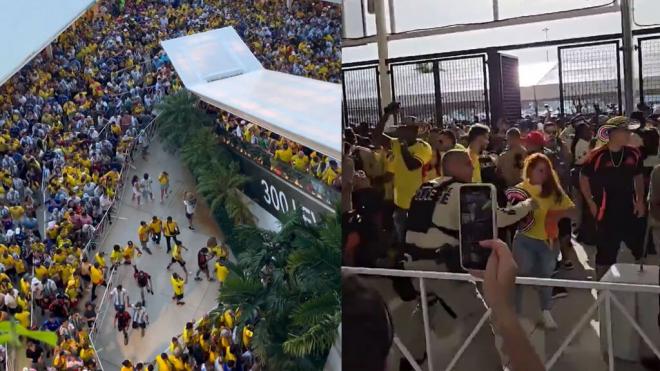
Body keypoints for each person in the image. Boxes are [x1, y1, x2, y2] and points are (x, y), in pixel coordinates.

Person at [343, 239, 544, 371]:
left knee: (424, 314)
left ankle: (412, 359)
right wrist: (503, 308)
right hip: (435, 281)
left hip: (424, 278)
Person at [510, 153, 575, 329]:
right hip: (524, 240)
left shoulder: (553, 190)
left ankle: (546, 312)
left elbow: (571, 210)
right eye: (540, 170)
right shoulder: (520, 189)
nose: (543, 174)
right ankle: (516, 314)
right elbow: (509, 214)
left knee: (545, 279)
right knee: (521, 276)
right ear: (529, 170)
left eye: (546, 171)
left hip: (548, 242)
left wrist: (554, 216)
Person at [580, 116, 646, 279]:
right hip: (605, 210)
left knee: (639, 247)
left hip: (630, 209)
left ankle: (641, 281)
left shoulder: (634, 153)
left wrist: (640, 200)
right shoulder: (597, 156)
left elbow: (638, 177)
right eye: (626, 131)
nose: (629, 134)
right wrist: (590, 202)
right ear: (613, 133)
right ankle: (602, 288)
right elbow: (583, 177)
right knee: (605, 252)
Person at [370, 102, 432, 245]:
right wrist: (386, 115)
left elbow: (412, 166)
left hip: (419, 203)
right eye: (400, 128)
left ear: (414, 131)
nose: (399, 131)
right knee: (401, 239)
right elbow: (376, 137)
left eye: (403, 128)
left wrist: (403, 147)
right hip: (401, 203)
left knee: (416, 240)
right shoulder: (396, 144)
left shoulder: (423, 147)